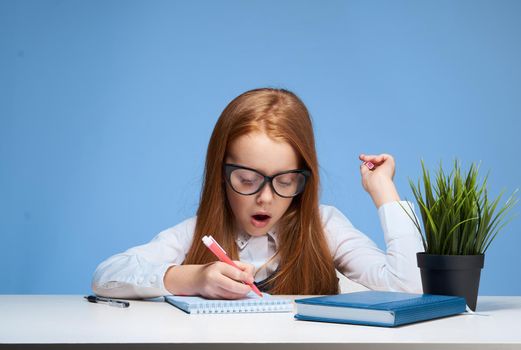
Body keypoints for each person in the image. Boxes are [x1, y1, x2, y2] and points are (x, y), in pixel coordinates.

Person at [92, 88, 423, 299]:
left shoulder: (324, 227)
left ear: (304, 178)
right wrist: (194, 277)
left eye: (285, 181)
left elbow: (409, 287)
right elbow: (106, 276)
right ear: (221, 175)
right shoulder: (198, 234)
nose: (265, 198)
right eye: (247, 180)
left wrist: (383, 191)